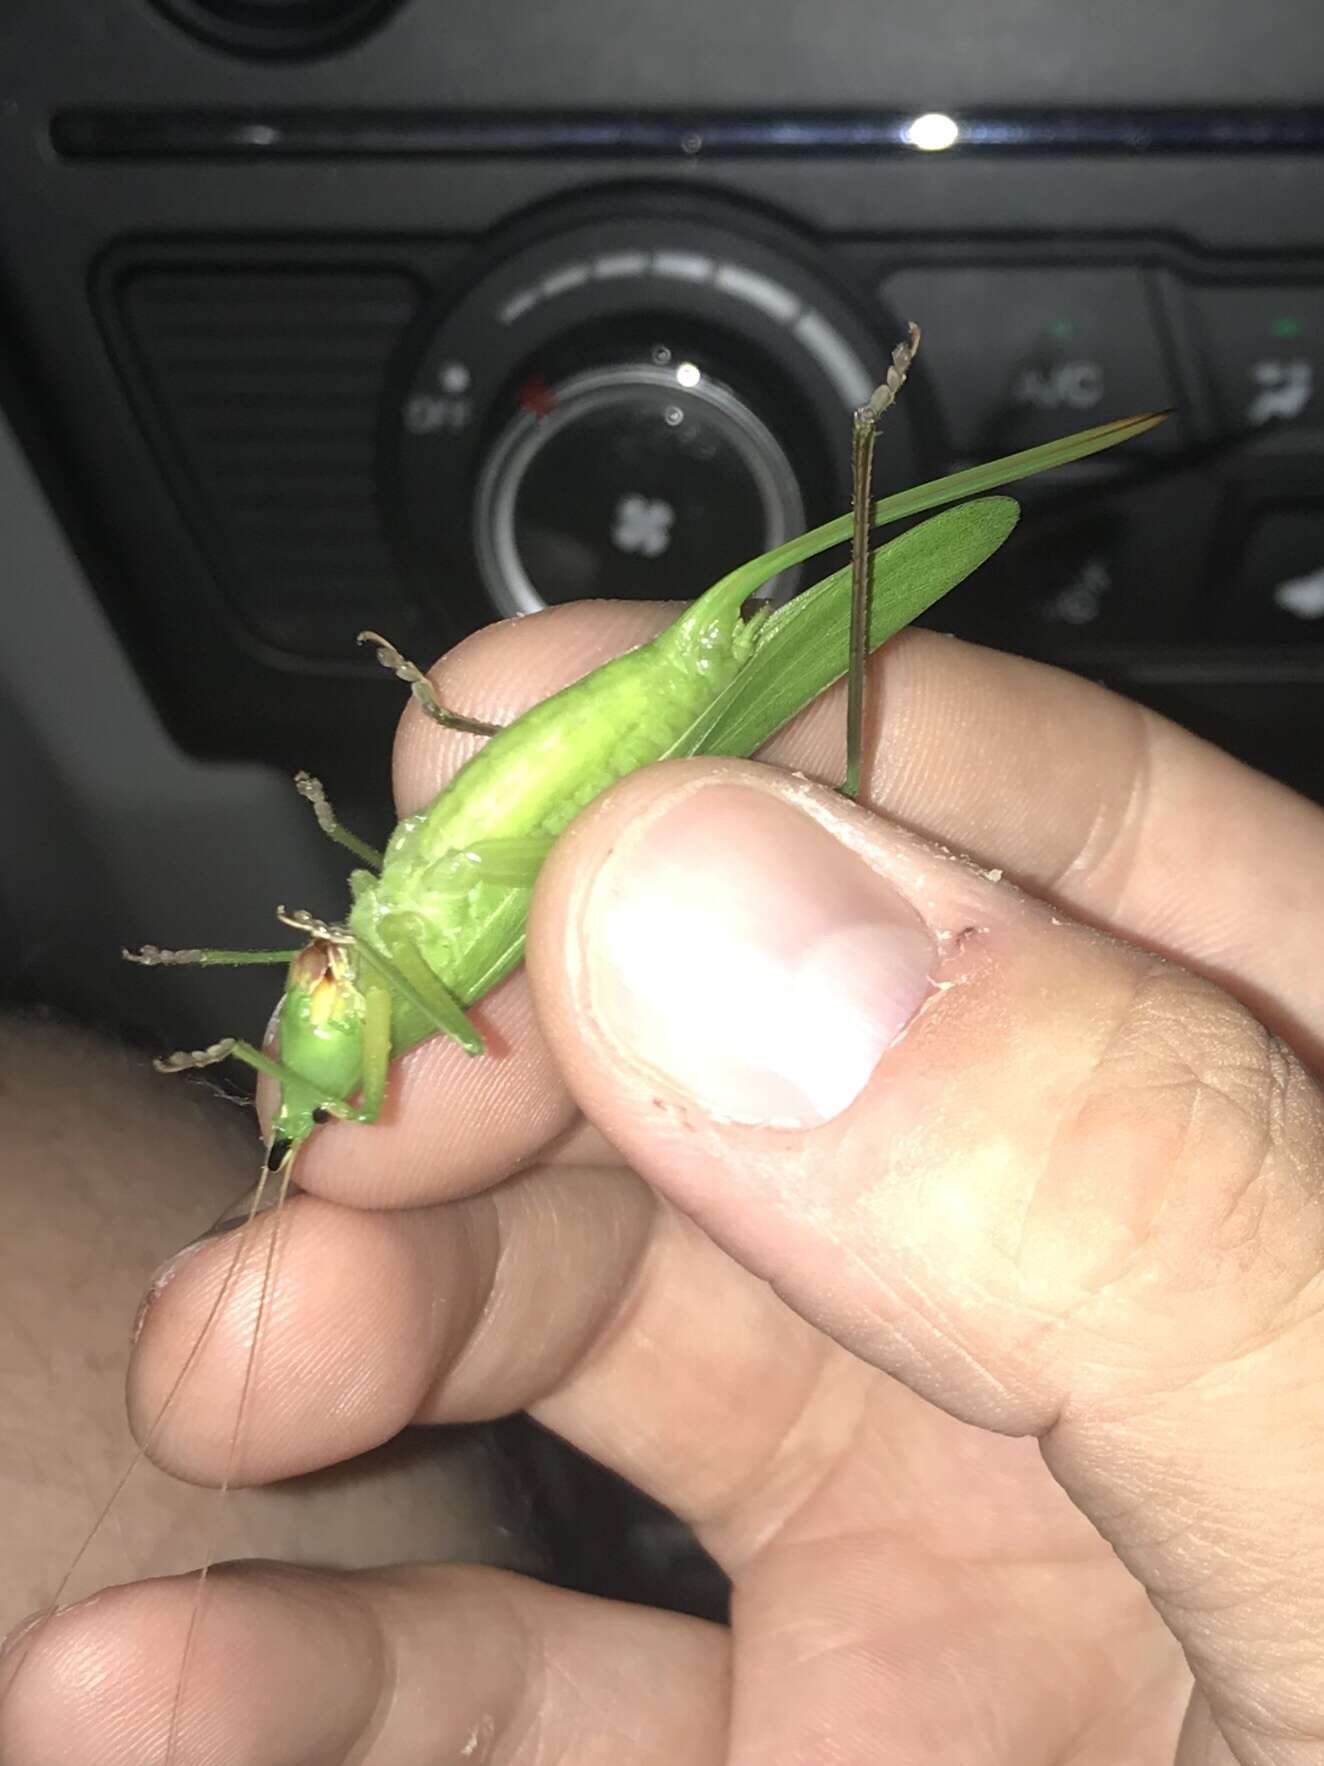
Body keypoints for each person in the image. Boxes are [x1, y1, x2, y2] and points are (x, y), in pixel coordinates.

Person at [3, 601, 1323, 1763]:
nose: (301, 1002)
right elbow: (402, 1036)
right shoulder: (404, 1022)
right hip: (531, 838)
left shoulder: (371, 995)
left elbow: (362, 1015)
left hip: (510, 819)